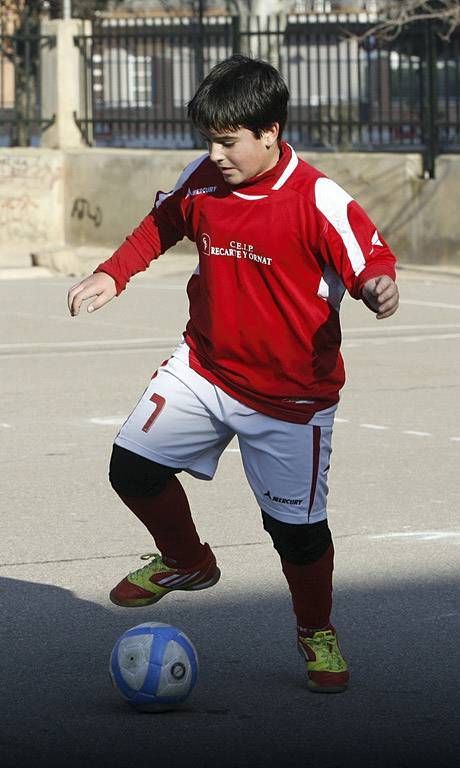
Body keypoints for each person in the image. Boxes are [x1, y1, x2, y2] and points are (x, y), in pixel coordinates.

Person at [67, 55, 399, 694]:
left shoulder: (318, 198)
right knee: (131, 466)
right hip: (207, 366)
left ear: (270, 131)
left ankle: (315, 631)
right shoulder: (204, 180)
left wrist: (378, 286)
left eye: (228, 140)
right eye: (209, 140)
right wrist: (112, 273)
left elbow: (370, 258)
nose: (215, 153)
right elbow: (161, 223)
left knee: (295, 535)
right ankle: (187, 562)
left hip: (290, 399)